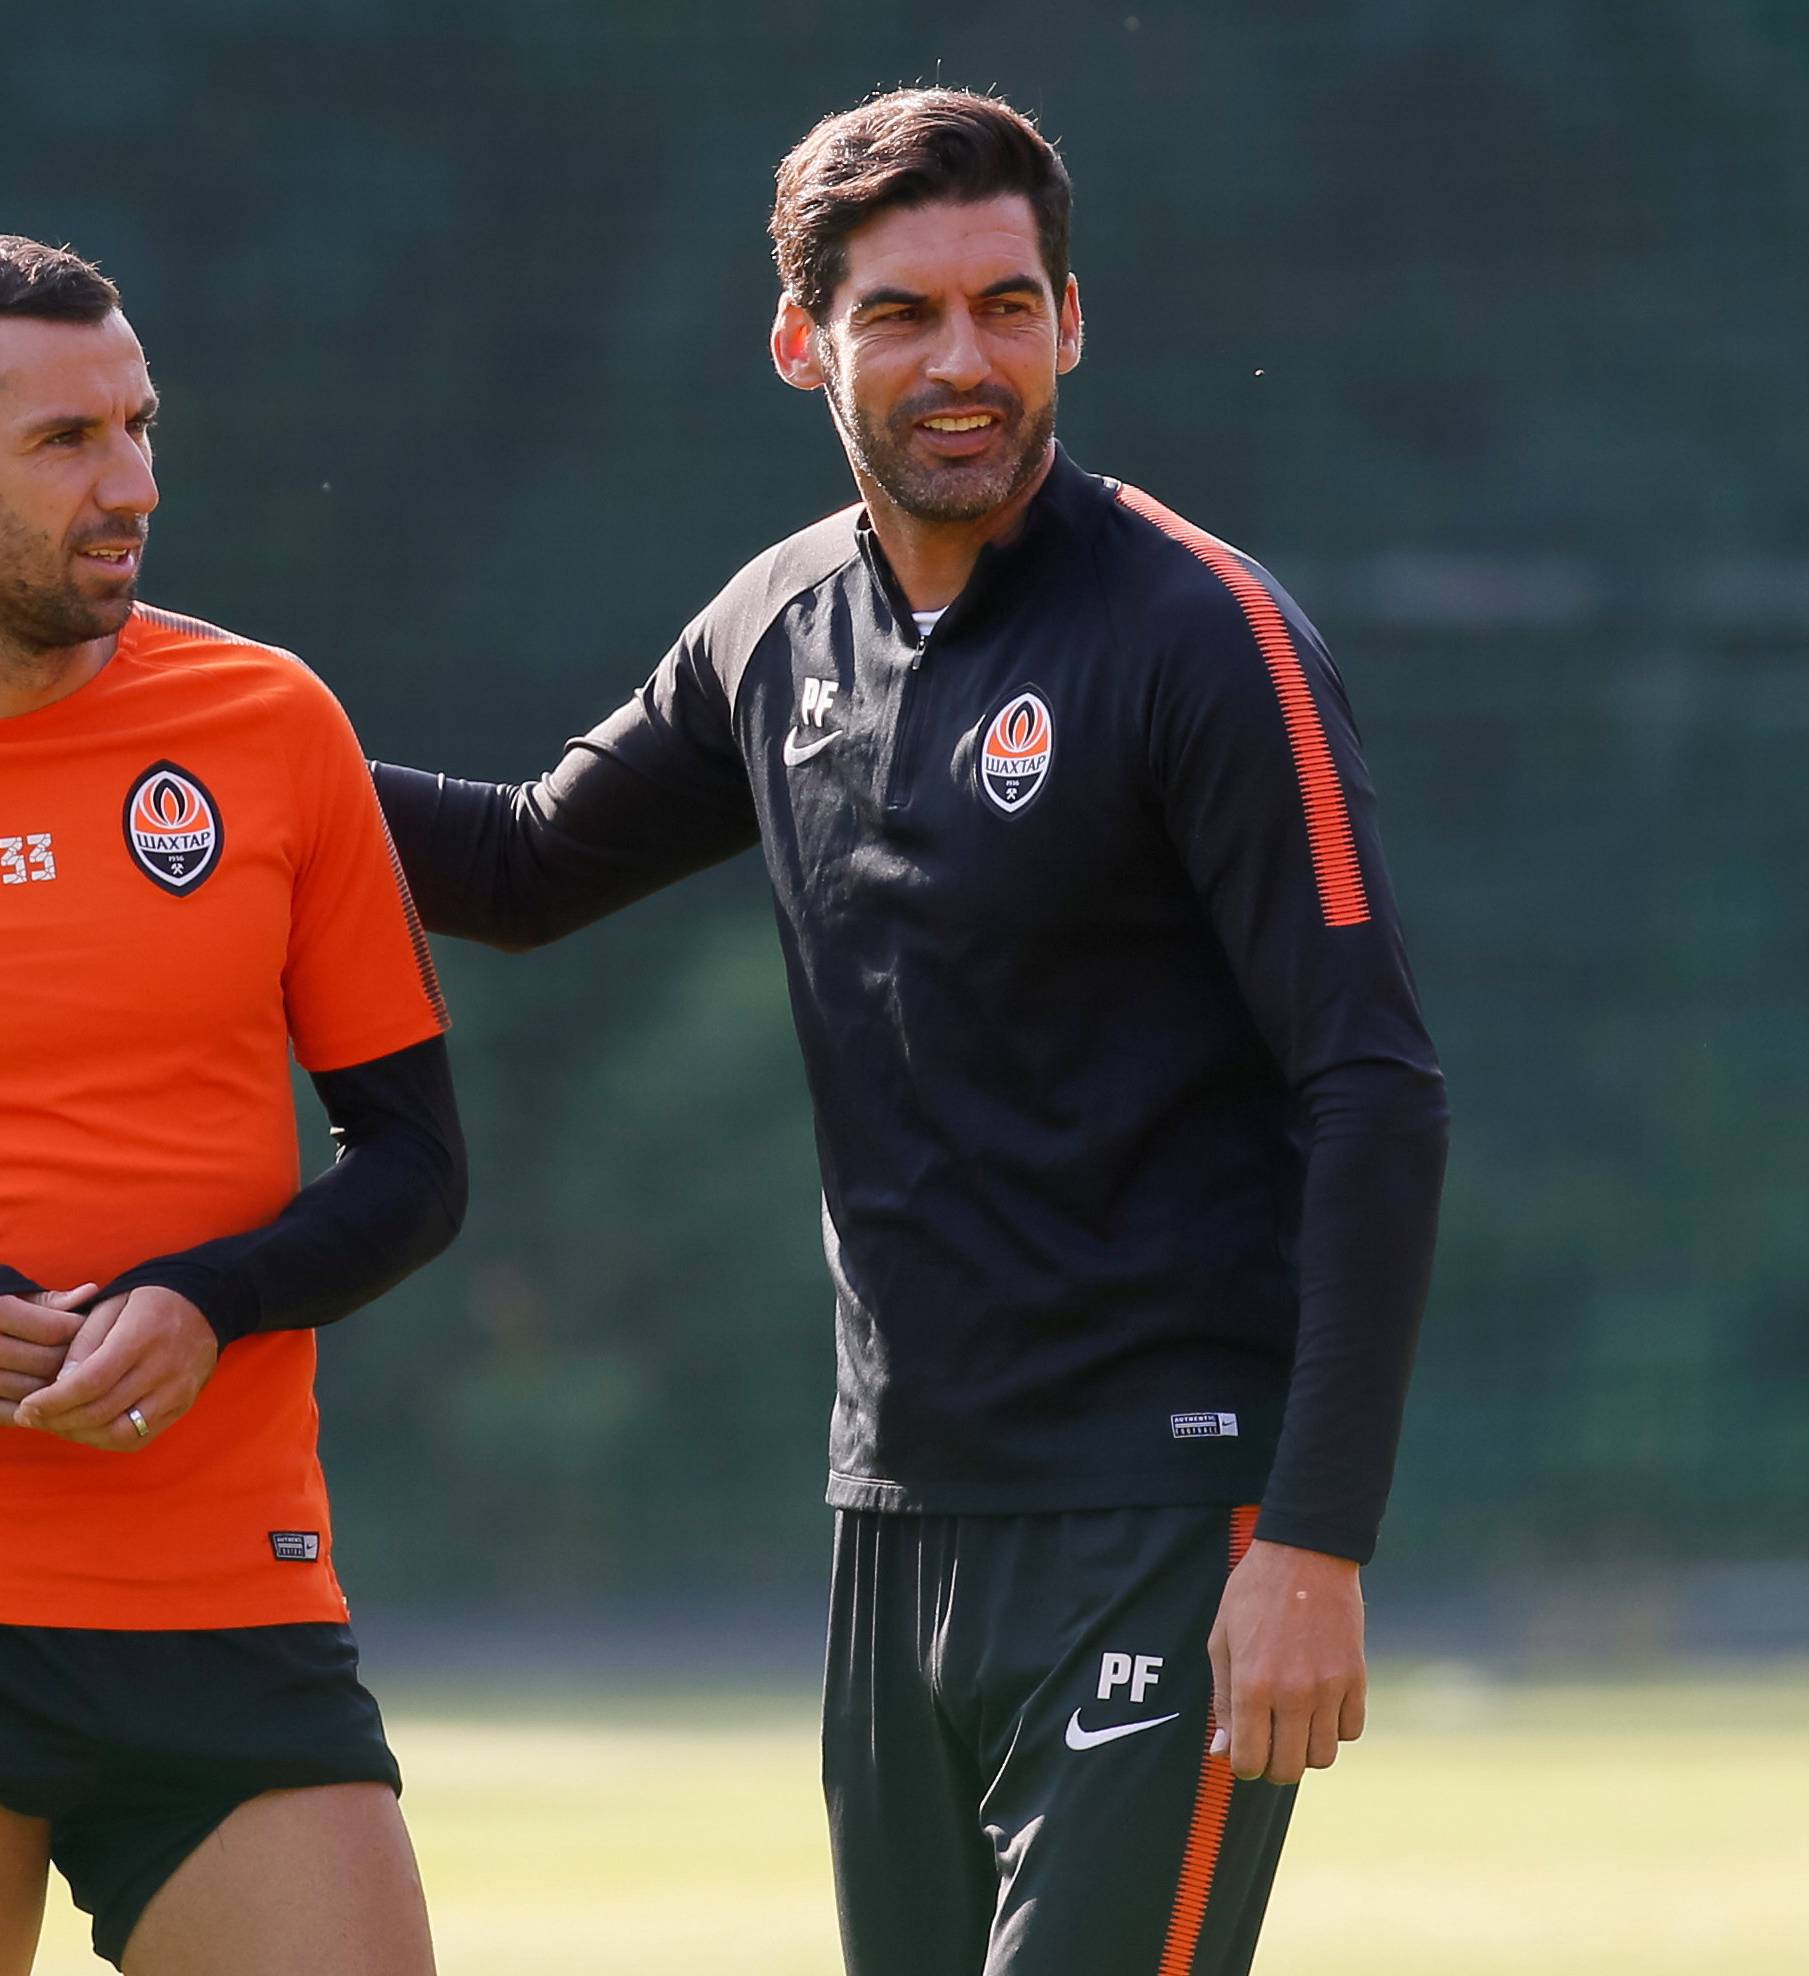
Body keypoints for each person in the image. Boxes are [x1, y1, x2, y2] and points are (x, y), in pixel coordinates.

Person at [374, 89, 1448, 1975]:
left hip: (1170, 1513)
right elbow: (525, 866)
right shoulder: (775, 626)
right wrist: (210, 735)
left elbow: (1375, 1090)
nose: (968, 361)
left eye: (1008, 306)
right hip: (900, 1519)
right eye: (905, 315)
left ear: (1072, 320)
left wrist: (1317, 1540)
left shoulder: (1203, 635)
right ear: (804, 341)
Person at [0, 237, 465, 1975]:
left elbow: (414, 1163)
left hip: (219, 1598)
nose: (134, 484)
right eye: (66, 443)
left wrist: (213, 1298)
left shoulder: (269, 725)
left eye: (138, 424)